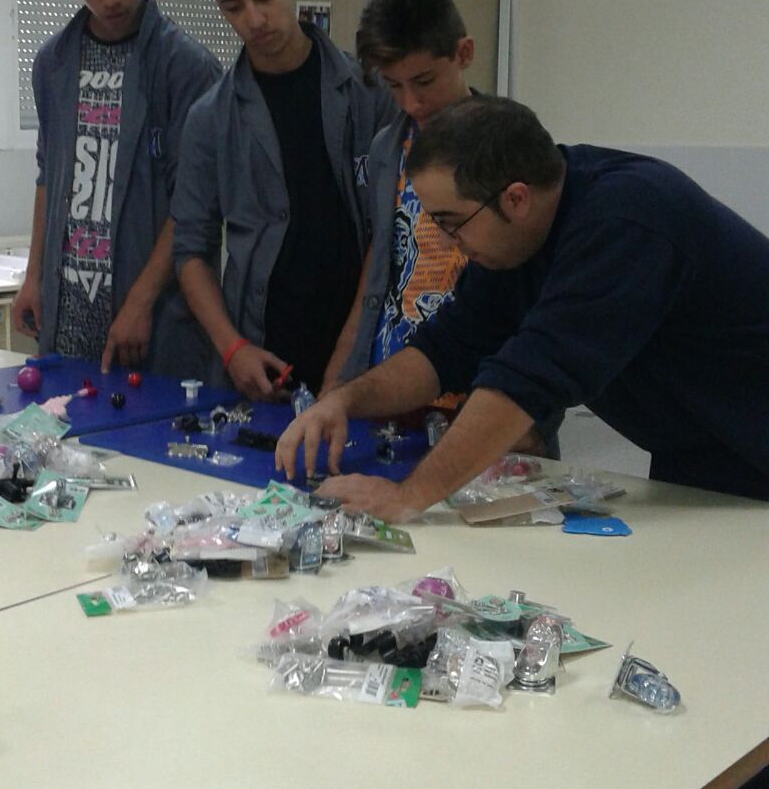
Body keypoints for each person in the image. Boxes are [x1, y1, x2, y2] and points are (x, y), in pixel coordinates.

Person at [276, 96, 769, 517]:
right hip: (700, 446)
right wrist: (343, 401)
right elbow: (443, 350)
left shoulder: (626, 222)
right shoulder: (516, 240)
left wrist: (409, 496)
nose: (446, 242)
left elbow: (526, 379)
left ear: (515, 198)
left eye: (451, 222)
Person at [172, 0, 396, 400]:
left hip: (363, 345)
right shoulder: (210, 118)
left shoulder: (368, 93)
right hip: (264, 354)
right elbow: (190, 249)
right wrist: (232, 349)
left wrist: (350, 352)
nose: (254, 19)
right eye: (233, 7)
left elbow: (389, 231)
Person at [12, 0, 220, 375]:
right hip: (67, 314)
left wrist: (140, 302)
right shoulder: (53, 63)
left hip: (149, 317)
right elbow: (48, 176)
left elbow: (194, 206)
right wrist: (33, 277)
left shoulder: (186, 69)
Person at [321, 0, 475, 394]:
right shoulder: (387, 148)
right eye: (394, 86)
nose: (411, 103)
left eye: (424, 82)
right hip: (388, 381)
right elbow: (379, 267)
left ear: (463, 53)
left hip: (467, 385)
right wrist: (336, 383)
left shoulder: (505, 146)